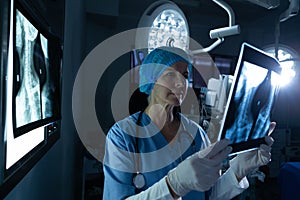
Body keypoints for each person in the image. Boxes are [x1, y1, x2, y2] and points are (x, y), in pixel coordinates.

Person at [103, 46, 276, 200]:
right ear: (151, 78)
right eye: (171, 74)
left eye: (185, 75)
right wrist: (173, 186)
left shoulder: (196, 134)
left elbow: (209, 195)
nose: (181, 83)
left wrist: (238, 171)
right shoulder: (123, 135)